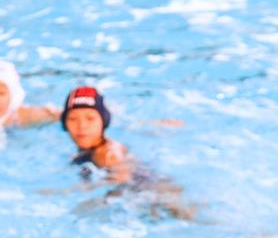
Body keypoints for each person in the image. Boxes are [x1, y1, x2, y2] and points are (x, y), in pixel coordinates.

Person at [60, 86, 196, 219]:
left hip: (155, 194)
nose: (82, 126)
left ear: (104, 121)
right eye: (73, 119)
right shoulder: (96, 149)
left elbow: (122, 178)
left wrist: (69, 191)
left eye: (90, 119)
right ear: (64, 123)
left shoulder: (107, 154)